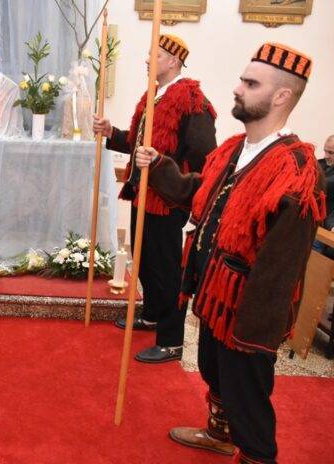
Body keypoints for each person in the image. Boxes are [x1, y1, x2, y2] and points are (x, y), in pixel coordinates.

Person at [134, 43, 324, 463]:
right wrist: (160, 164)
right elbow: (198, 191)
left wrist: (252, 338)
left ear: (282, 96)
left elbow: (280, 271)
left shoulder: (295, 171)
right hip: (214, 296)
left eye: (251, 84)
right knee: (212, 370)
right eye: (242, 79)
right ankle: (219, 434)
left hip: (247, 316)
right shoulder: (235, 148)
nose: (237, 88)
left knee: (247, 400)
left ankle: (256, 456)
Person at [93, 34, 217, 363]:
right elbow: (139, 145)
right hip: (143, 194)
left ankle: (172, 340)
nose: (148, 60)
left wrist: (171, 176)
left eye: (156, 55)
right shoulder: (155, 96)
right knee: (144, 260)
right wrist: (112, 133)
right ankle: (152, 315)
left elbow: (204, 158)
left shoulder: (192, 101)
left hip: (167, 200)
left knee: (166, 270)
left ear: (174, 61)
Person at [313, 135, 334, 258]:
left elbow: (325, 184)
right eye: (325, 151)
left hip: (324, 229)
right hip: (315, 225)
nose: (326, 156)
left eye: (331, 153)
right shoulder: (322, 164)